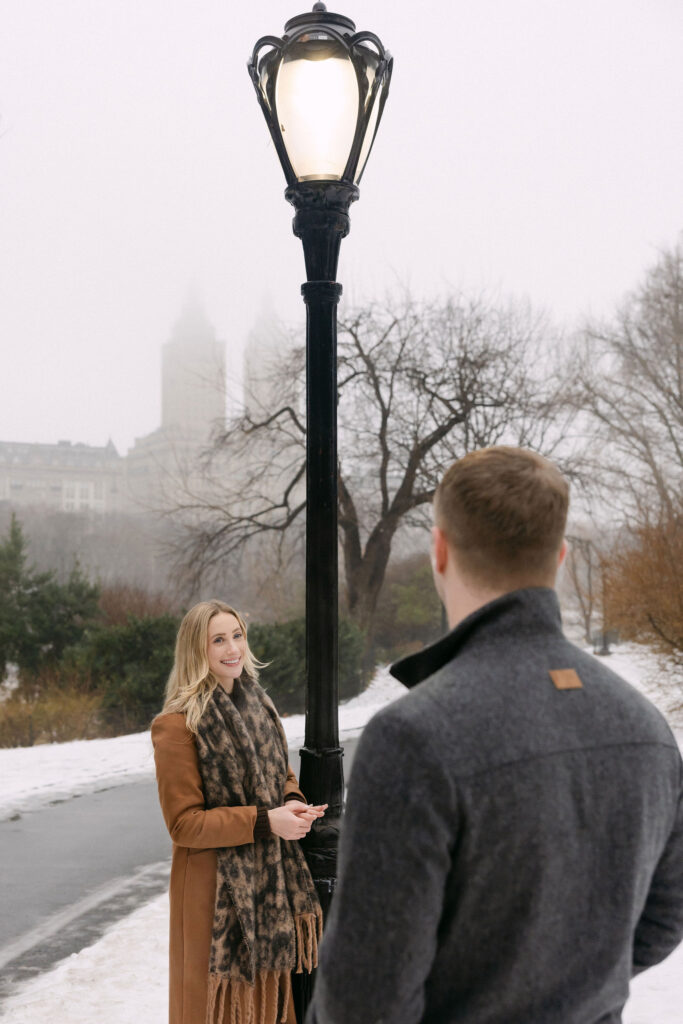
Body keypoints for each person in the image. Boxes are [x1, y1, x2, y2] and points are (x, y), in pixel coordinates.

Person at [306, 446, 683, 1024]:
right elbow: (665, 917)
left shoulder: (412, 738)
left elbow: (363, 1002)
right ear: (559, 556)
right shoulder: (646, 727)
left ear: (439, 551)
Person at [152, 600, 326, 1024]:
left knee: (266, 1009)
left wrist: (292, 803)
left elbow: (281, 775)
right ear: (197, 650)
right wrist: (267, 822)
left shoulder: (259, 706)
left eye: (237, 635)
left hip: (268, 887)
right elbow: (184, 824)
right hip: (213, 892)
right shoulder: (176, 725)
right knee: (212, 1012)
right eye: (218, 640)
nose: (232, 648)